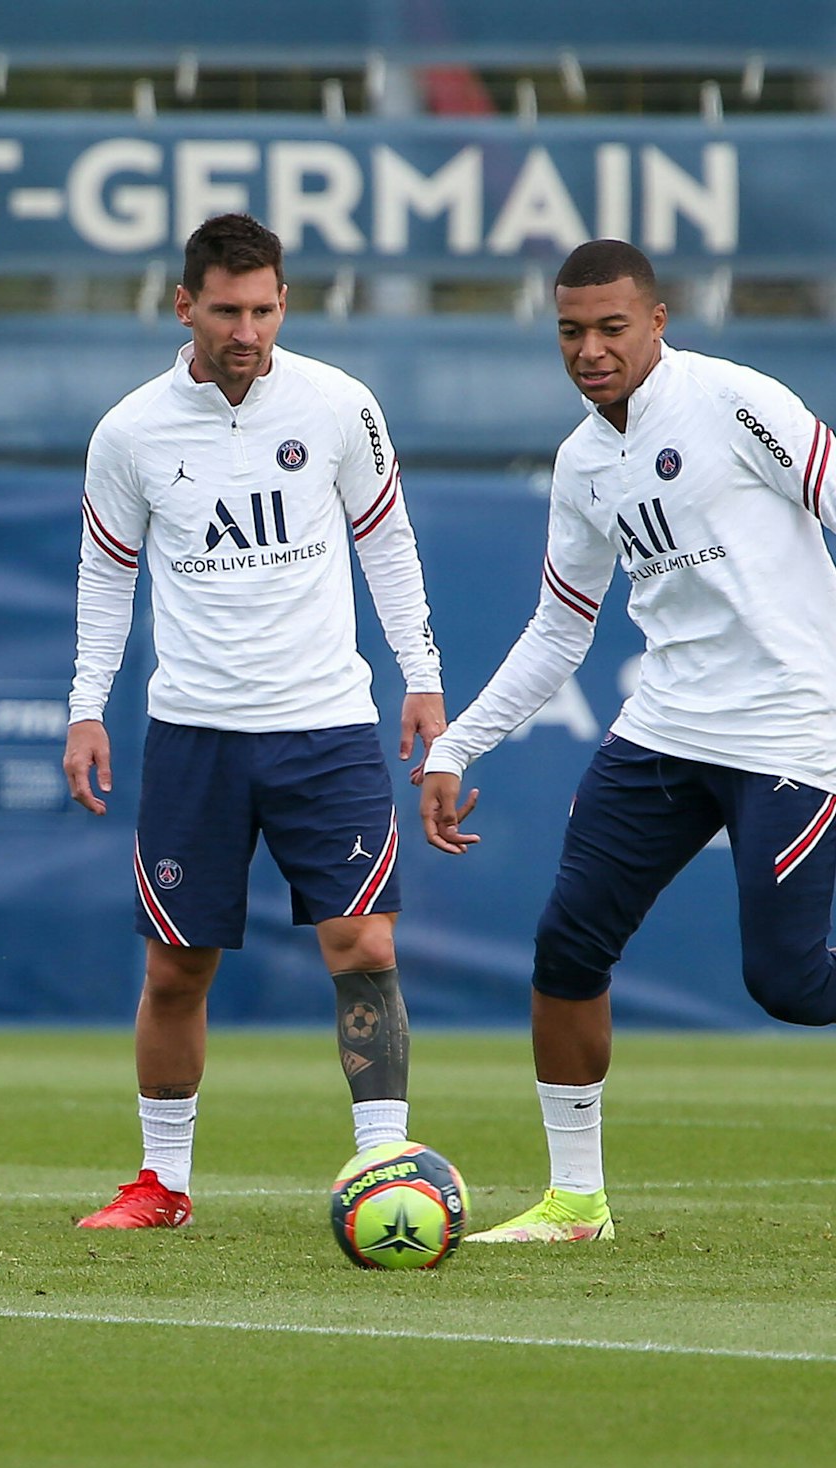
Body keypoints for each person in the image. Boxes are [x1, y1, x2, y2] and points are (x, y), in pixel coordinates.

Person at [420, 239, 836, 1244]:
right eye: (570, 331)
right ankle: (574, 1205)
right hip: (660, 731)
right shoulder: (581, 461)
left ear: (656, 321)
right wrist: (452, 750)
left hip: (788, 725)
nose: (590, 350)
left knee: (786, 986)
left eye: (611, 328)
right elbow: (560, 631)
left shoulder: (733, 401)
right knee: (566, 946)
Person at [64, 212, 445, 1230]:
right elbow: (104, 580)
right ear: (182, 304)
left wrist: (421, 677)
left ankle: (384, 1164)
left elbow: (388, 545)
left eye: (264, 308)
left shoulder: (335, 406)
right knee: (176, 968)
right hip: (193, 733)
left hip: (323, 727)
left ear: (284, 302)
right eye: (225, 309)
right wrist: (84, 709)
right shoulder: (130, 430)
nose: (246, 328)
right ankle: (161, 1182)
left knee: (362, 945)